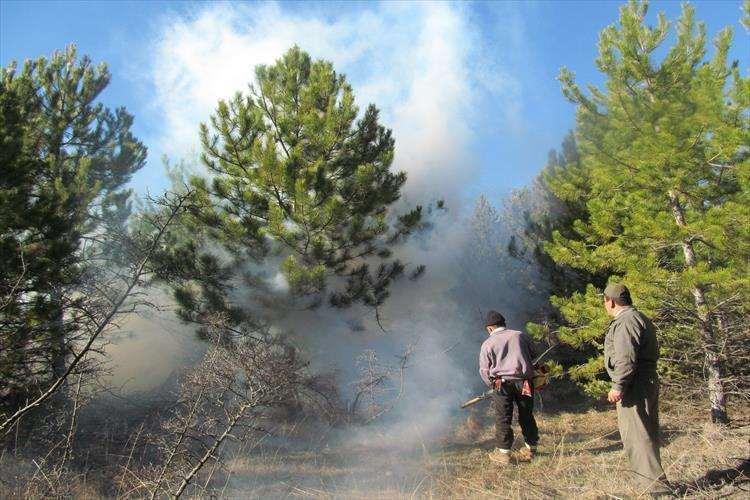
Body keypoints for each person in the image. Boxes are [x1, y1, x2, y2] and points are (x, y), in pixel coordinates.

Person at [603, 283, 671, 496]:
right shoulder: (638, 317)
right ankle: (655, 483)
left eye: (604, 301)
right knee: (645, 433)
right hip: (642, 381)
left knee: (637, 436)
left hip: (635, 385)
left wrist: (618, 386)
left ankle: (655, 490)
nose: (604, 305)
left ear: (611, 301)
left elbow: (626, 358)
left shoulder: (626, 321)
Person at [479, 310, 539, 464]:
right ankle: (531, 449)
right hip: (524, 382)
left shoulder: (488, 344)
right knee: (526, 414)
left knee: (503, 418)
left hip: (501, 385)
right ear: (504, 325)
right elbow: (533, 354)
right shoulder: (520, 335)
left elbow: (484, 370)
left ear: (489, 328)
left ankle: (504, 454)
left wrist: (491, 385)